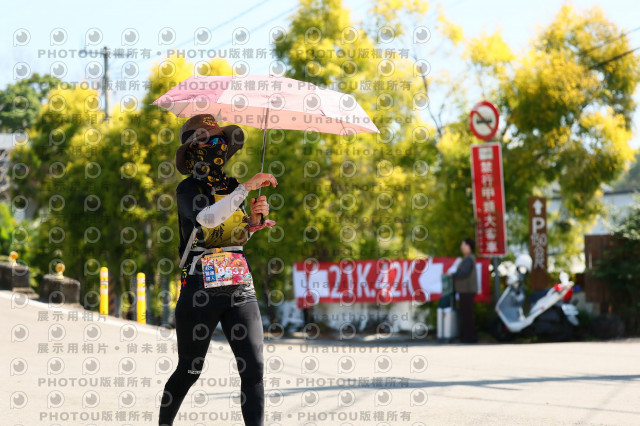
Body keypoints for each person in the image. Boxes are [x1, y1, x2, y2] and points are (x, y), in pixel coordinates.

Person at [159, 114, 277, 426]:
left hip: (239, 283)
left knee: (254, 369)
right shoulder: (187, 189)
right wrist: (247, 188)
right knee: (190, 370)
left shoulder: (234, 187)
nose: (218, 145)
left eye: (221, 139)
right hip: (200, 287)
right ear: (193, 149)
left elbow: (234, 237)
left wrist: (253, 224)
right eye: (209, 140)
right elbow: (208, 219)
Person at [446, 238, 478, 343]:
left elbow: (463, 272)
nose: (462, 247)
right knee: (466, 313)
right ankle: (467, 336)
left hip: (467, 290)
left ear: (469, 246)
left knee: (467, 314)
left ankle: (469, 337)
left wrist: (453, 274)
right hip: (465, 290)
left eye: (464, 245)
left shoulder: (469, 259)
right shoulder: (467, 258)